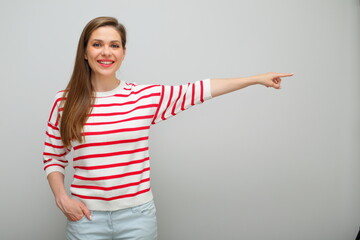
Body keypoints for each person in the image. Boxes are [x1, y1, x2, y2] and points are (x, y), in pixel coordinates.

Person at [43, 16, 294, 240]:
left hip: (137, 219)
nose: (106, 52)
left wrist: (255, 79)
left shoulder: (144, 97)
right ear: (85, 52)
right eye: (97, 44)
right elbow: (53, 156)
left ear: (123, 52)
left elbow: (200, 89)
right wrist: (61, 198)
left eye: (114, 45)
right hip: (86, 221)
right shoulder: (66, 101)